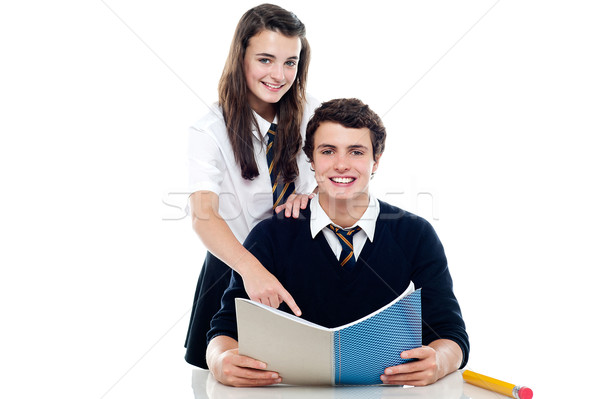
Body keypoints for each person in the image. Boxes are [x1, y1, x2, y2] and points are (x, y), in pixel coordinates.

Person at [206, 98, 470, 387]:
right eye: (328, 151)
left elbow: (450, 333)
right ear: (312, 160)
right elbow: (226, 327)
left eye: (356, 152)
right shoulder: (270, 235)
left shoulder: (416, 235)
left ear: (376, 161)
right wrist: (220, 361)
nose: (341, 165)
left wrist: (439, 361)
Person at [185, 4, 320, 369]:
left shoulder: (314, 116)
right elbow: (203, 215)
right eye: (265, 59)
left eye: (290, 62)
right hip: (234, 270)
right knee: (224, 380)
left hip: (299, 271)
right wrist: (252, 270)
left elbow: (346, 179)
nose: (279, 75)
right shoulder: (208, 130)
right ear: (240, 56)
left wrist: (316, 195)